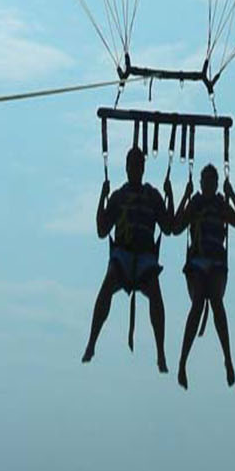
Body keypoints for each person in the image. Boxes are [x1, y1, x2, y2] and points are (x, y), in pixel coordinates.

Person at [82, 145, 175, 372]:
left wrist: (170, 196)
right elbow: (102, 230)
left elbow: (168, 226)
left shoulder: (152, 196)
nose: (136, 169)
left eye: (139, 165)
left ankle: (160, 352)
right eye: (133, 165)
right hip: (123, 255)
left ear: (143, 168)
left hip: (144, 256)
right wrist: (102, 198)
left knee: (155, 292)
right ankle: (92, 341)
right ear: (126, 168)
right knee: (107, 285)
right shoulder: (119, 197)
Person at [173, 163, 235, 389]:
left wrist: (232, 194)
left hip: (216, 264)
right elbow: (176, 228)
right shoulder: (195, 204)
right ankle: (182, 362)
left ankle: (228, 358)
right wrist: (185, 198)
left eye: (211, 182)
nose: (207, 185)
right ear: (200, 183)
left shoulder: (220, 205)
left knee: (216, 301)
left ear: (216, 185)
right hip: (197, 262)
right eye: (204, 181)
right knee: (197, 303)